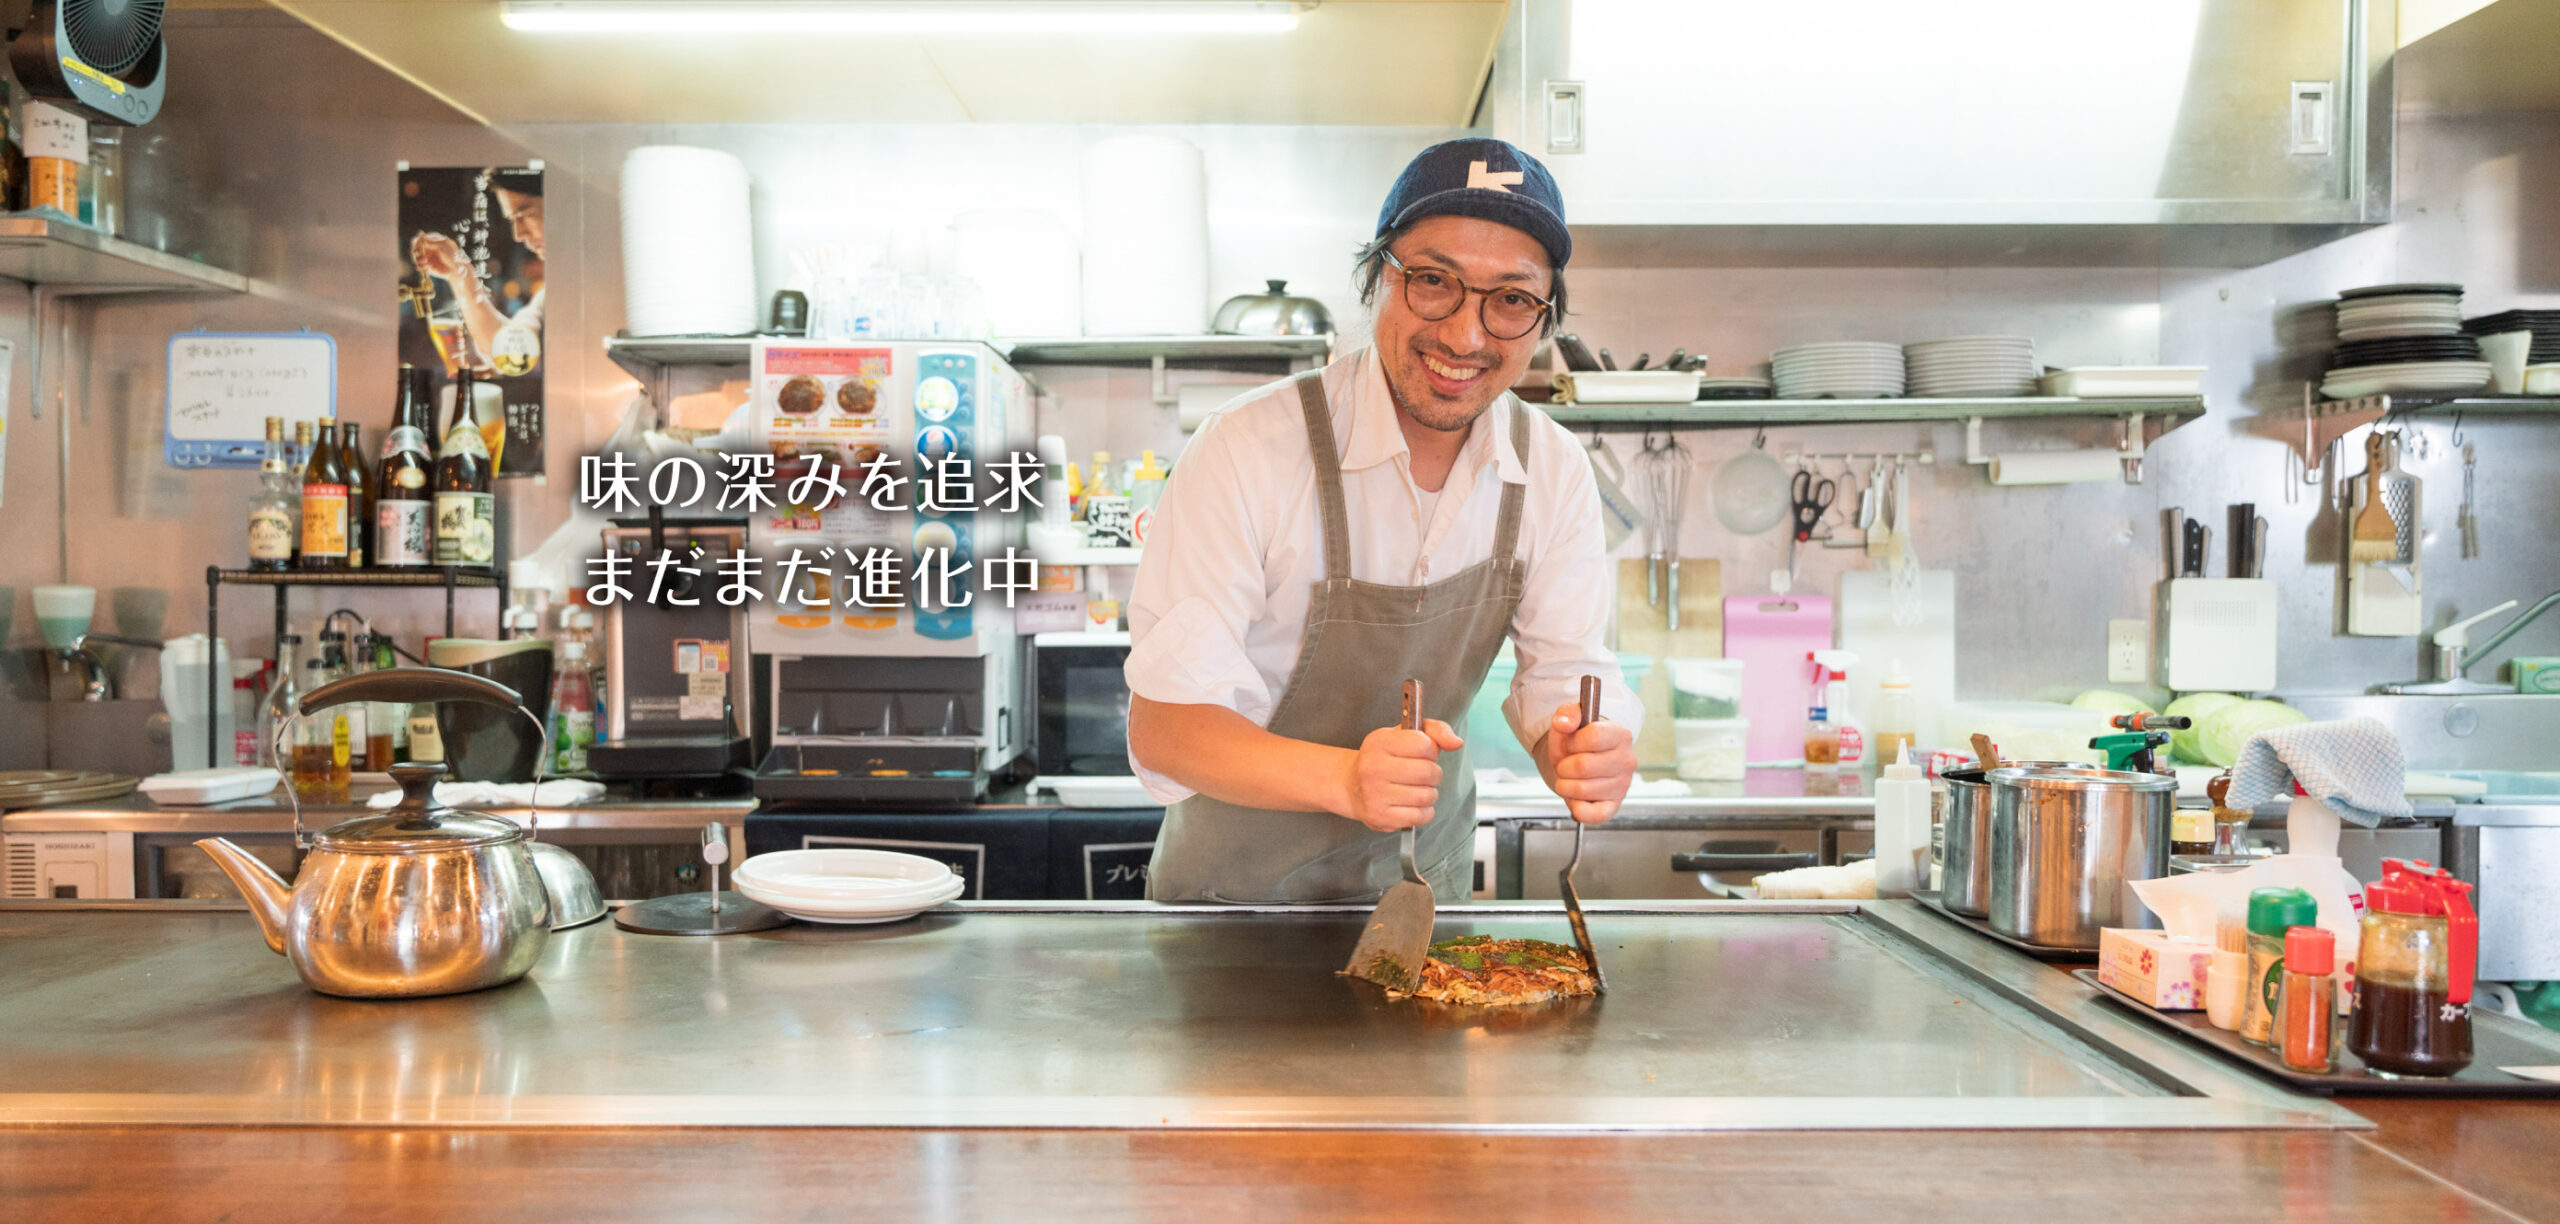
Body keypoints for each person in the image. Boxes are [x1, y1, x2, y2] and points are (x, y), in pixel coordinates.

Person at [1126, 138, 1640, 905]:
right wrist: (1345, 778)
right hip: (1227, 923)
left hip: (1420, 909)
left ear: (1543, 320)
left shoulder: (1554, 468)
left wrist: (1576, 748)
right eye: (1433, 281)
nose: (1466, 337)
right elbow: (1167, 726)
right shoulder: (1247, 449)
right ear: (1377, 280)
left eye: (1511, 299)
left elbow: (1566, 671)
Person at [410, 175, 546, 378]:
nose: (518, 234)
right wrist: (458, 272)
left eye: (525, 215)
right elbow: (508, 349)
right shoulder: (554, 292)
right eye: (512, 220)